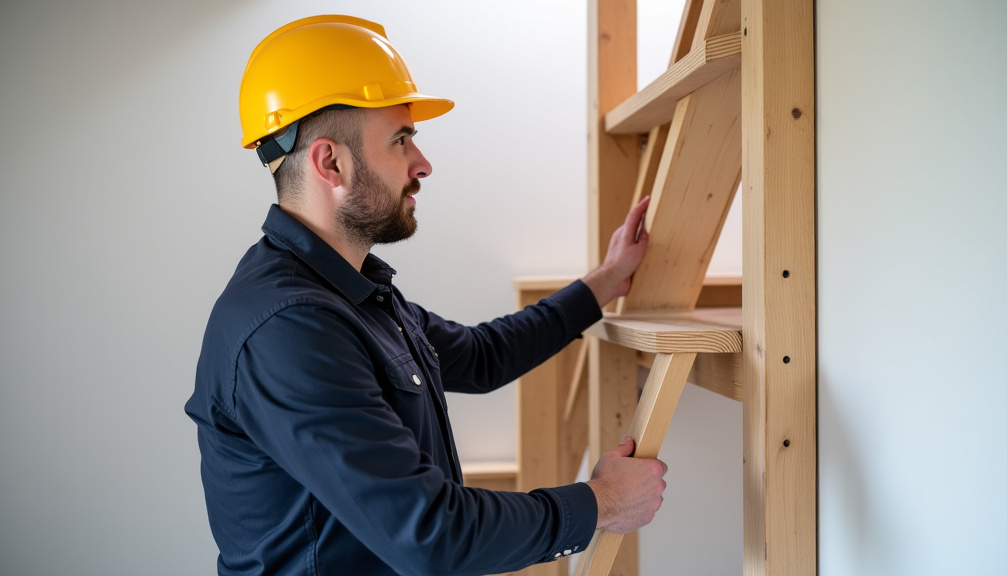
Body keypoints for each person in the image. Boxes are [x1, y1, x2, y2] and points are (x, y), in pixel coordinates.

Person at [185, 15, 666, 576]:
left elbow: (482, 356)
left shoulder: (350, 296)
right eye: (402, 139)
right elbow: (432, 534)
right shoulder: (290, 328)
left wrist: (605, 281)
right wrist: (601, 502)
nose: (423, 164)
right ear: (330, 162)